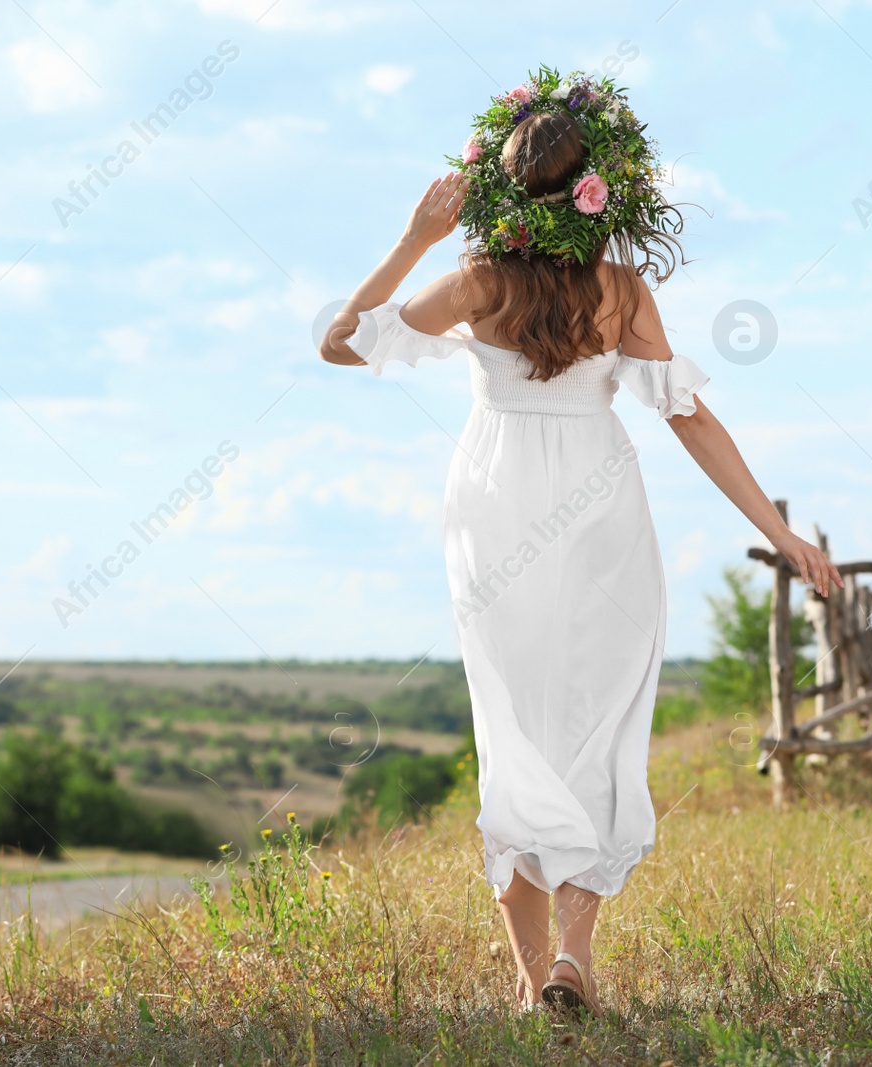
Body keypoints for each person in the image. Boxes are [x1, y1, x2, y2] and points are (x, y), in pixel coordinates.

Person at [320, 69, 841, 1017]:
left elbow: (339, 341)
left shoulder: (476, 281)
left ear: (501, 193)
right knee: (598, 730)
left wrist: (413, 239)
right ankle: (571, 960)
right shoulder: (622, 289)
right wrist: (781, 532)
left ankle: (535, 984)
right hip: (601, 507)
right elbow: (692, 421)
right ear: (602, 189)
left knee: (513, 732)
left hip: (495, 508)